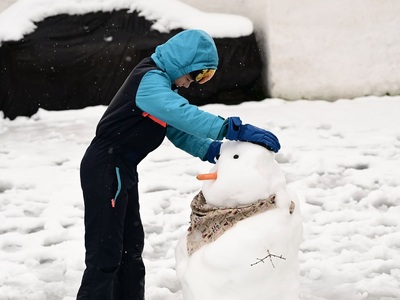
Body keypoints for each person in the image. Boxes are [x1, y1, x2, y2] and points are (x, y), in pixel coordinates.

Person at [77, 29, 280, 300]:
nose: (193, 83)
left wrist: (214, 150)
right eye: (198, 74)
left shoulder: (161, 86)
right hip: (105, 168)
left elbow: (178, 130)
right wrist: (229, 128)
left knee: (130, 251)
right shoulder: (148, 81)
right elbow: (182, 115)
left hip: (122, 170)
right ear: (184, 62)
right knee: (106, 255)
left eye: (205, 77)